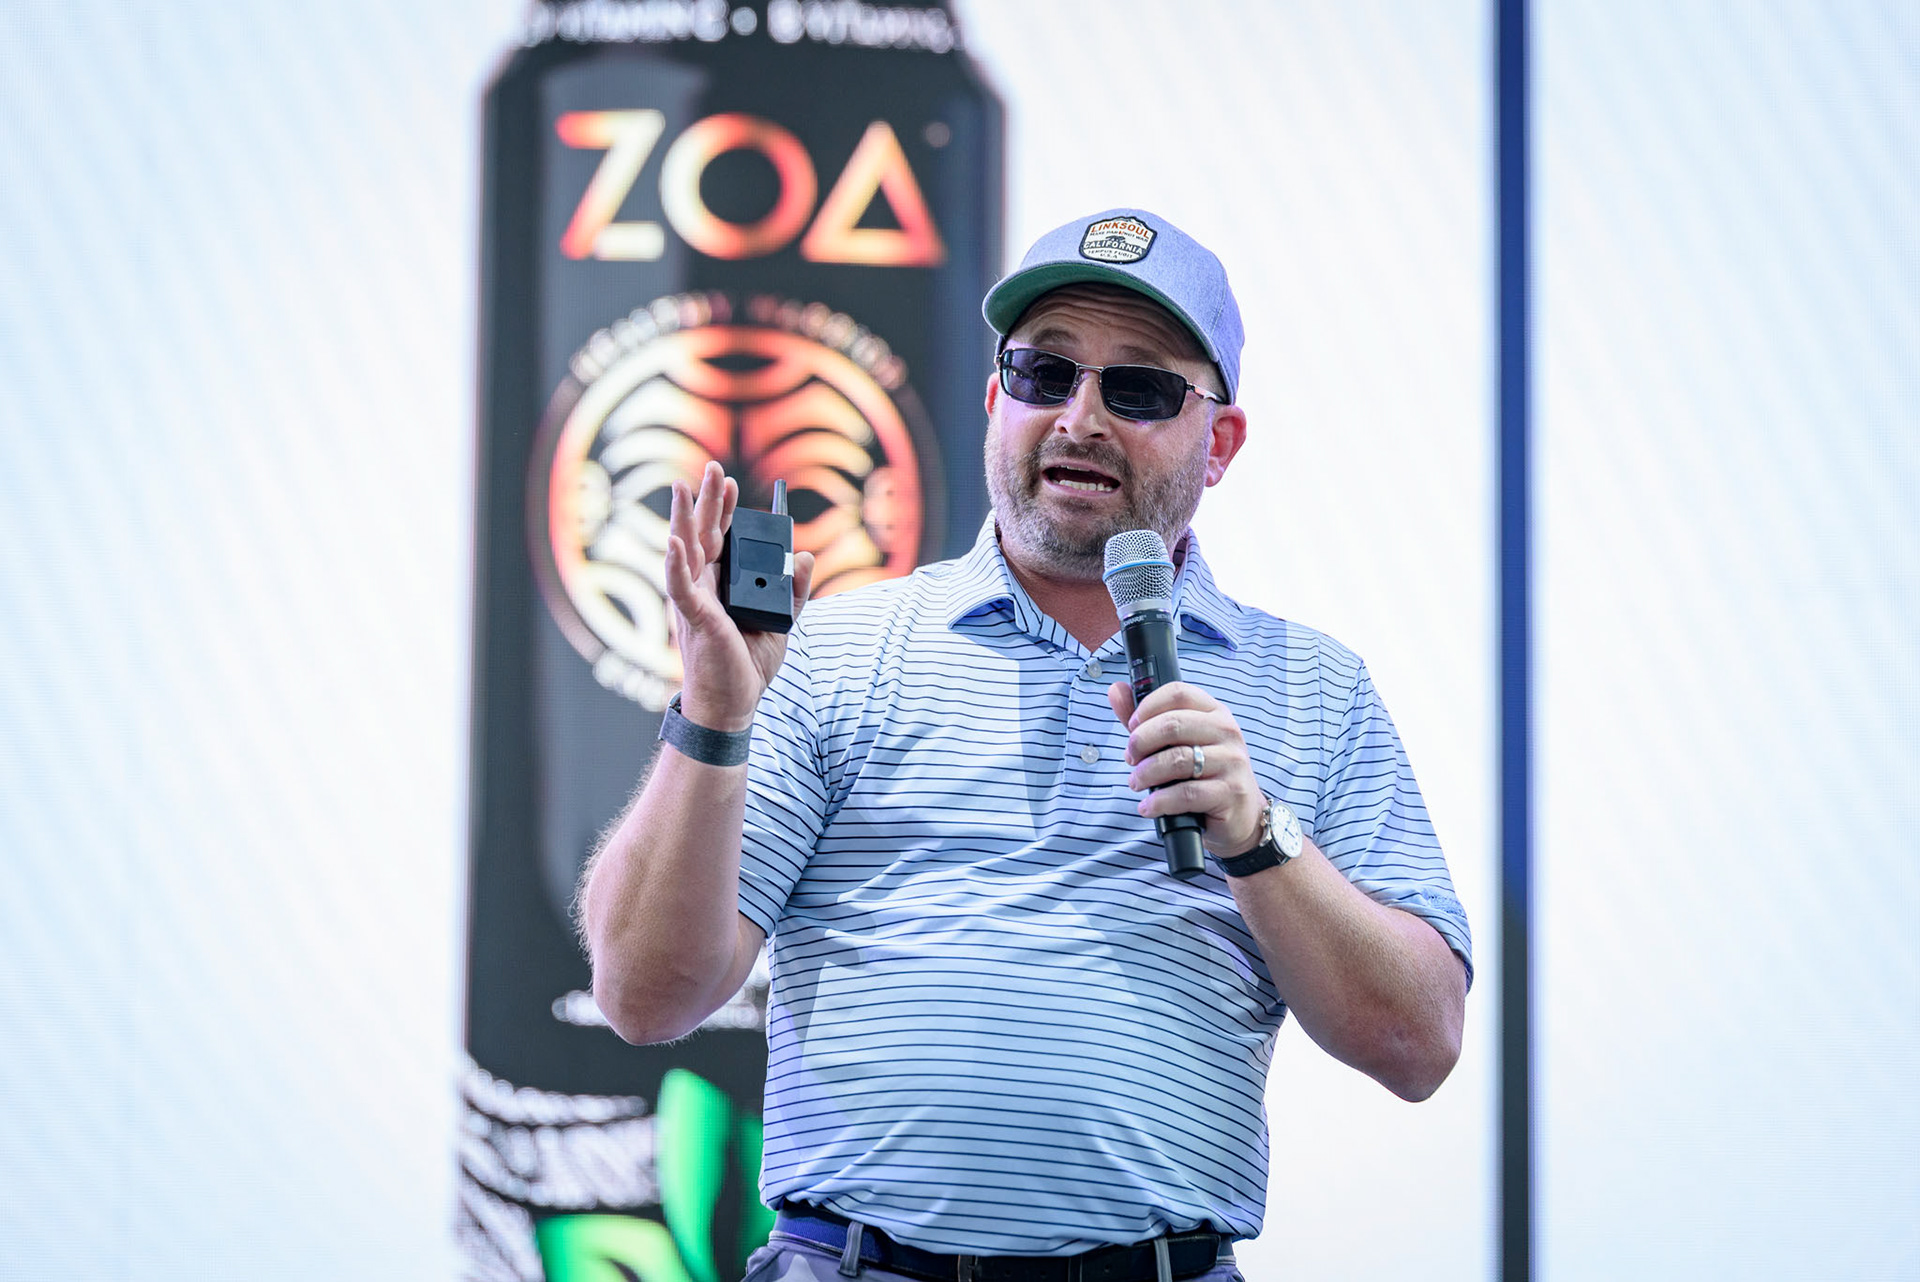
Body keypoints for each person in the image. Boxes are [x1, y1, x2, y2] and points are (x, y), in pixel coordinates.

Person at [580, 208, 1472, 1282]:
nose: (1080, 418)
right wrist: (714, 717)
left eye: (1138, 389)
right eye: (1045, 373)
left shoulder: (1312, 686)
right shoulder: (837, 651)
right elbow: (645, 993)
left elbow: (1418, 1044)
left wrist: (1258, 837)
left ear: (1221, 443)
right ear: (995, 398)